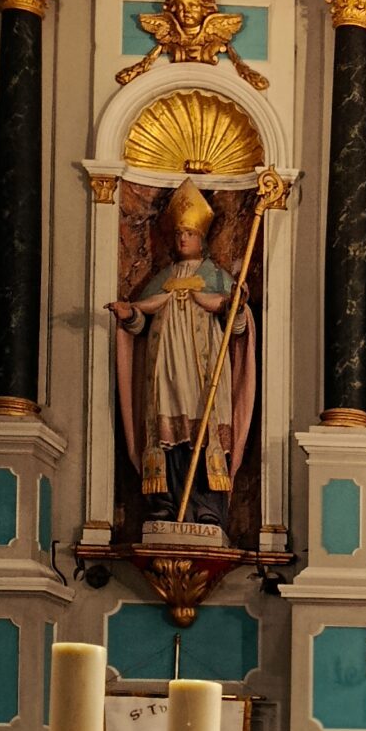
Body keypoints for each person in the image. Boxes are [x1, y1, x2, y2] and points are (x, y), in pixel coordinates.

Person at [110, 180, 254, 532]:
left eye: (189, 233)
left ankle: (207, 506)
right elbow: (141, 321)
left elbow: (236, 328)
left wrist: (237, 306)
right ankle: (166, 503)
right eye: (178, 234)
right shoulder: (163, 279)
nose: (182, 239)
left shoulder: (216, 278)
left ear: (201, 238)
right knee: (167, 435)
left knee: (204, 433)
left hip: (205, 371)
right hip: (165, 371)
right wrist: (129, 315)